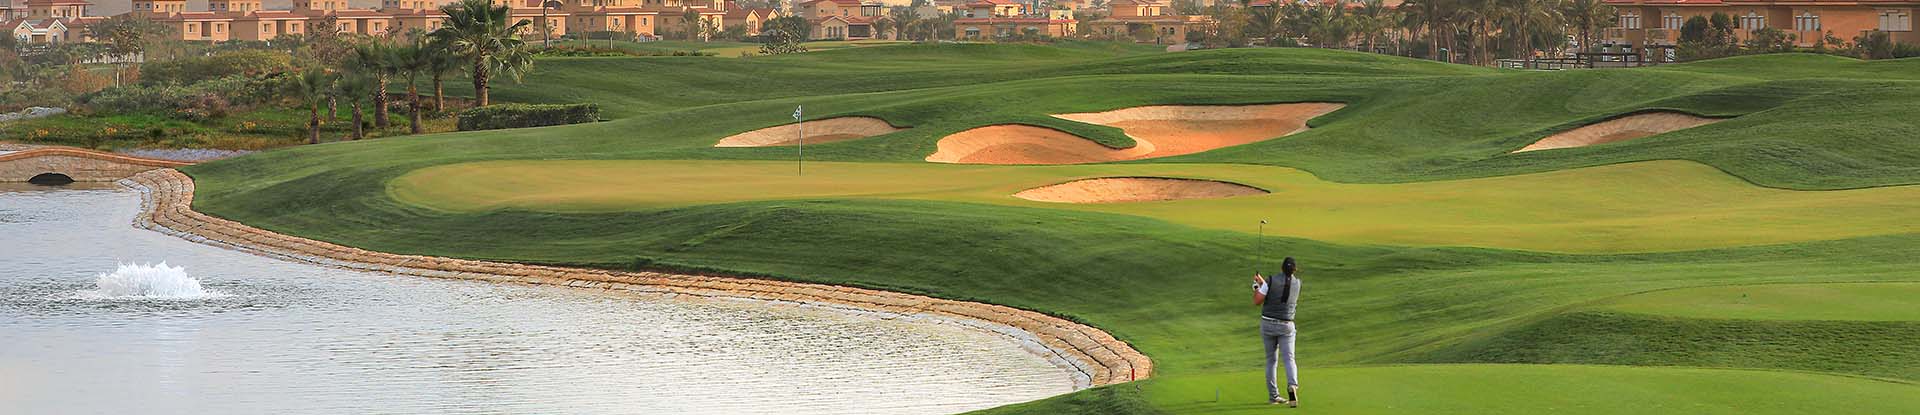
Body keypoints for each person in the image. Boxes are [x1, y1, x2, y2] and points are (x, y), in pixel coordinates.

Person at [1252, 257, 1303, 407]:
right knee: (1289, 359)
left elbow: (1257, 300)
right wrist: (1263, 283)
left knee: (1271, 361)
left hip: (1268, 324)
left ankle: (1274, 396)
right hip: (1286, 325)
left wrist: (1257, 286)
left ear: (1281, 268)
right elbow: (1282, 293)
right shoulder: (1298, 283)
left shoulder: (1271, 281)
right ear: (1294, 270)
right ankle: (1292, 385)